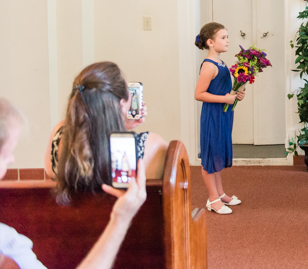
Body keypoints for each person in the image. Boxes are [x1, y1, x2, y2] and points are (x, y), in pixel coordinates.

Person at [0, 97, 148, 269]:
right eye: (6, 154)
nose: (12, 159)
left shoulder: (59, 134)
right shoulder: (7, 246)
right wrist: (121, 219)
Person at [44, 62, 168, 206]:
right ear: (121, 106)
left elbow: (92, 140)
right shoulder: (153, 146)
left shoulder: (58, 136)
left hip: (73, 227)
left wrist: (120, 126)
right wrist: (119, 126)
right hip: (123, 225)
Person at [194, 22, 246, 215]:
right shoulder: (209, 66)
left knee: (217, 154)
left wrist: (236, 94)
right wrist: (225, 98)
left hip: (224, 115)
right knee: (210, 156)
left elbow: (224, 90)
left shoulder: (222, 63)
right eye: (223, 38)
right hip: (212, 116)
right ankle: (212, 199)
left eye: (227, 37)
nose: (227, 41)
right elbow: (199, 94)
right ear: (210, 42)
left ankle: (220, 193)